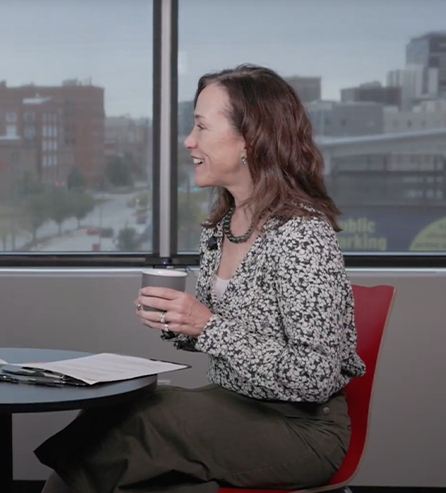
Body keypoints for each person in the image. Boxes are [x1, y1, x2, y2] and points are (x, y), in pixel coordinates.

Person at [34, 64, 365, 493]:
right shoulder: (223, 225)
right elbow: (223, 336)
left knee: (144, 423)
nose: (189, 141)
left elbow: (315, 376)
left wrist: (205, 325)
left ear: (250, 139)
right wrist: (178, 322)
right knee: (118, 408)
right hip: (234, 404)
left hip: (301, 428)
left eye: (202, 127)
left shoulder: (302, 236)